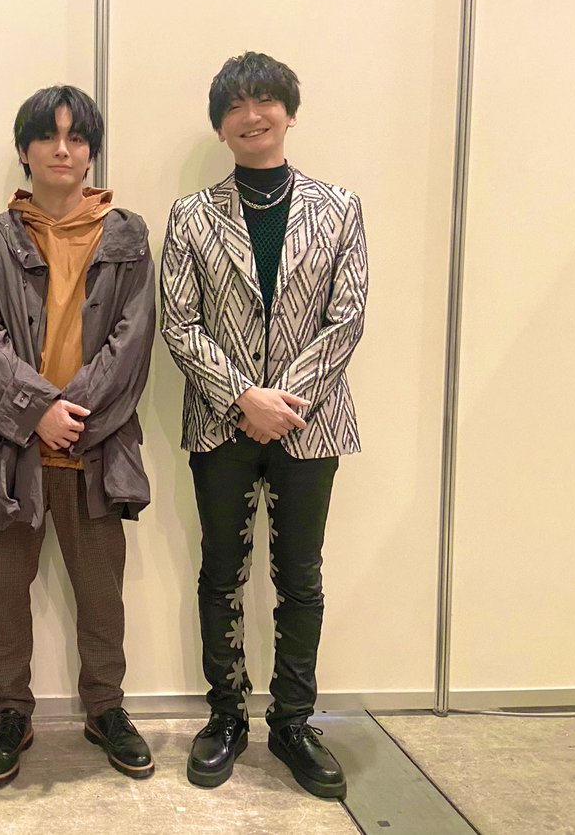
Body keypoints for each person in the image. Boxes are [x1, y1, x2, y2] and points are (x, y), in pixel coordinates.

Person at [160, 51, 367, 797]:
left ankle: (292, 721)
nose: (252, 115)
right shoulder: (191, 215)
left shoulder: (340, 207)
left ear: (289, 111)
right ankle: (225, 718)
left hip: (313, 425)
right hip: (223, 424)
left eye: (265, 101)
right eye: (235, 106)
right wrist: (245, 397)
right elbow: (179, 323)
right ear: (221, 126)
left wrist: (284, 402)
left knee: (300, 576)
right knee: (221, 572)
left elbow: (348, 317)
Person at [0, 85, 156, 788]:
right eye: (47, 135)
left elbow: (132, 343)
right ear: (24, 149)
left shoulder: (127, 239)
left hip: (96, 449)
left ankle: (106, 708)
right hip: (11, 453)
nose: (62, 149)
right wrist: (38, 410)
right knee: (6, 595)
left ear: (91, 151)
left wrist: (74, 413)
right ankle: (12, 711)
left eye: (76, 137)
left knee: (102, 593)